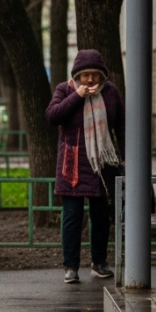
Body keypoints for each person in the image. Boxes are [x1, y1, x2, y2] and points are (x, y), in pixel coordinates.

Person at [45, 50, 124, 283]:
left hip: (102, 164)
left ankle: (99, 263)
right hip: (73, 164)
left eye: (95, 75)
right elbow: (52, 116)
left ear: (102, 75)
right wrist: (77, 96)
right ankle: (70, 266)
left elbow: (121, 126)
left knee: (101, 217)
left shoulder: (110, 92)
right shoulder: (65, 90)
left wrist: (126, 157)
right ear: (77, 76)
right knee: (72, 217)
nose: (90, 80)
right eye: (85, 75)